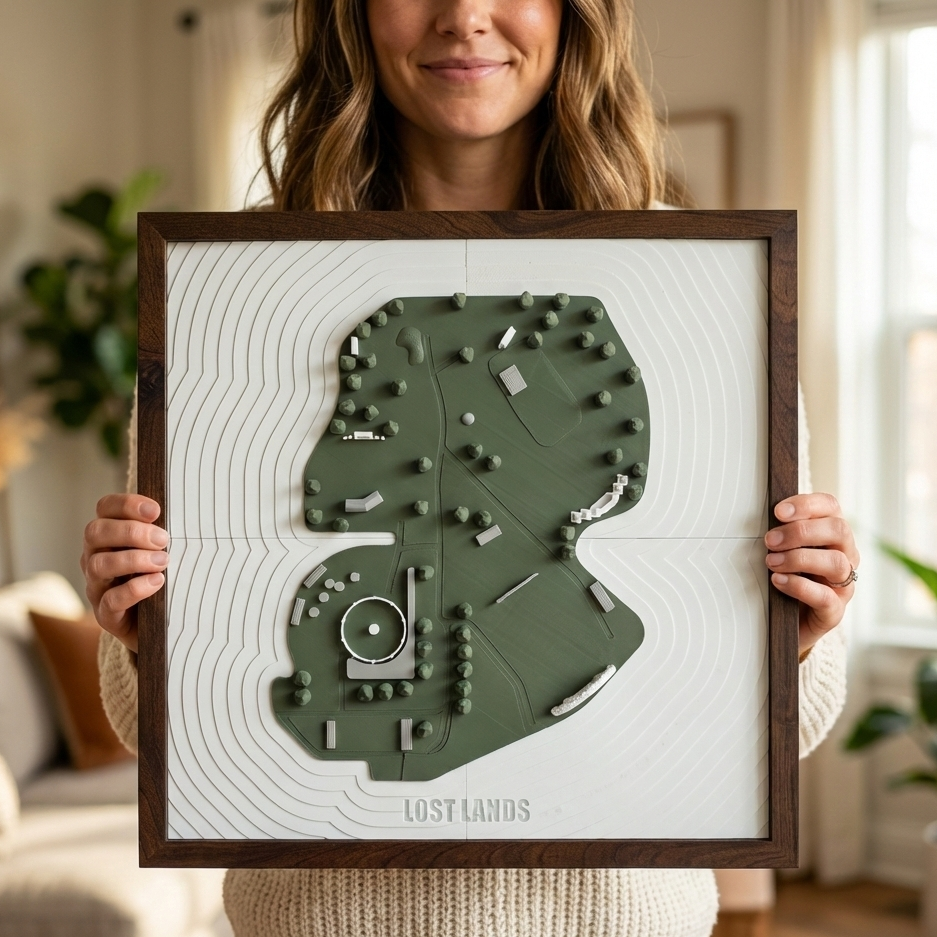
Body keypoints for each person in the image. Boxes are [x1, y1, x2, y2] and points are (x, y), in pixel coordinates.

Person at [82, 0, 859, 934]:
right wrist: (142, 628)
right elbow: (155, 727)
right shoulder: (233, 288)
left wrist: (799, 627)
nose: (464, 16)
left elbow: (784, 731)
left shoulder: (695, 283)